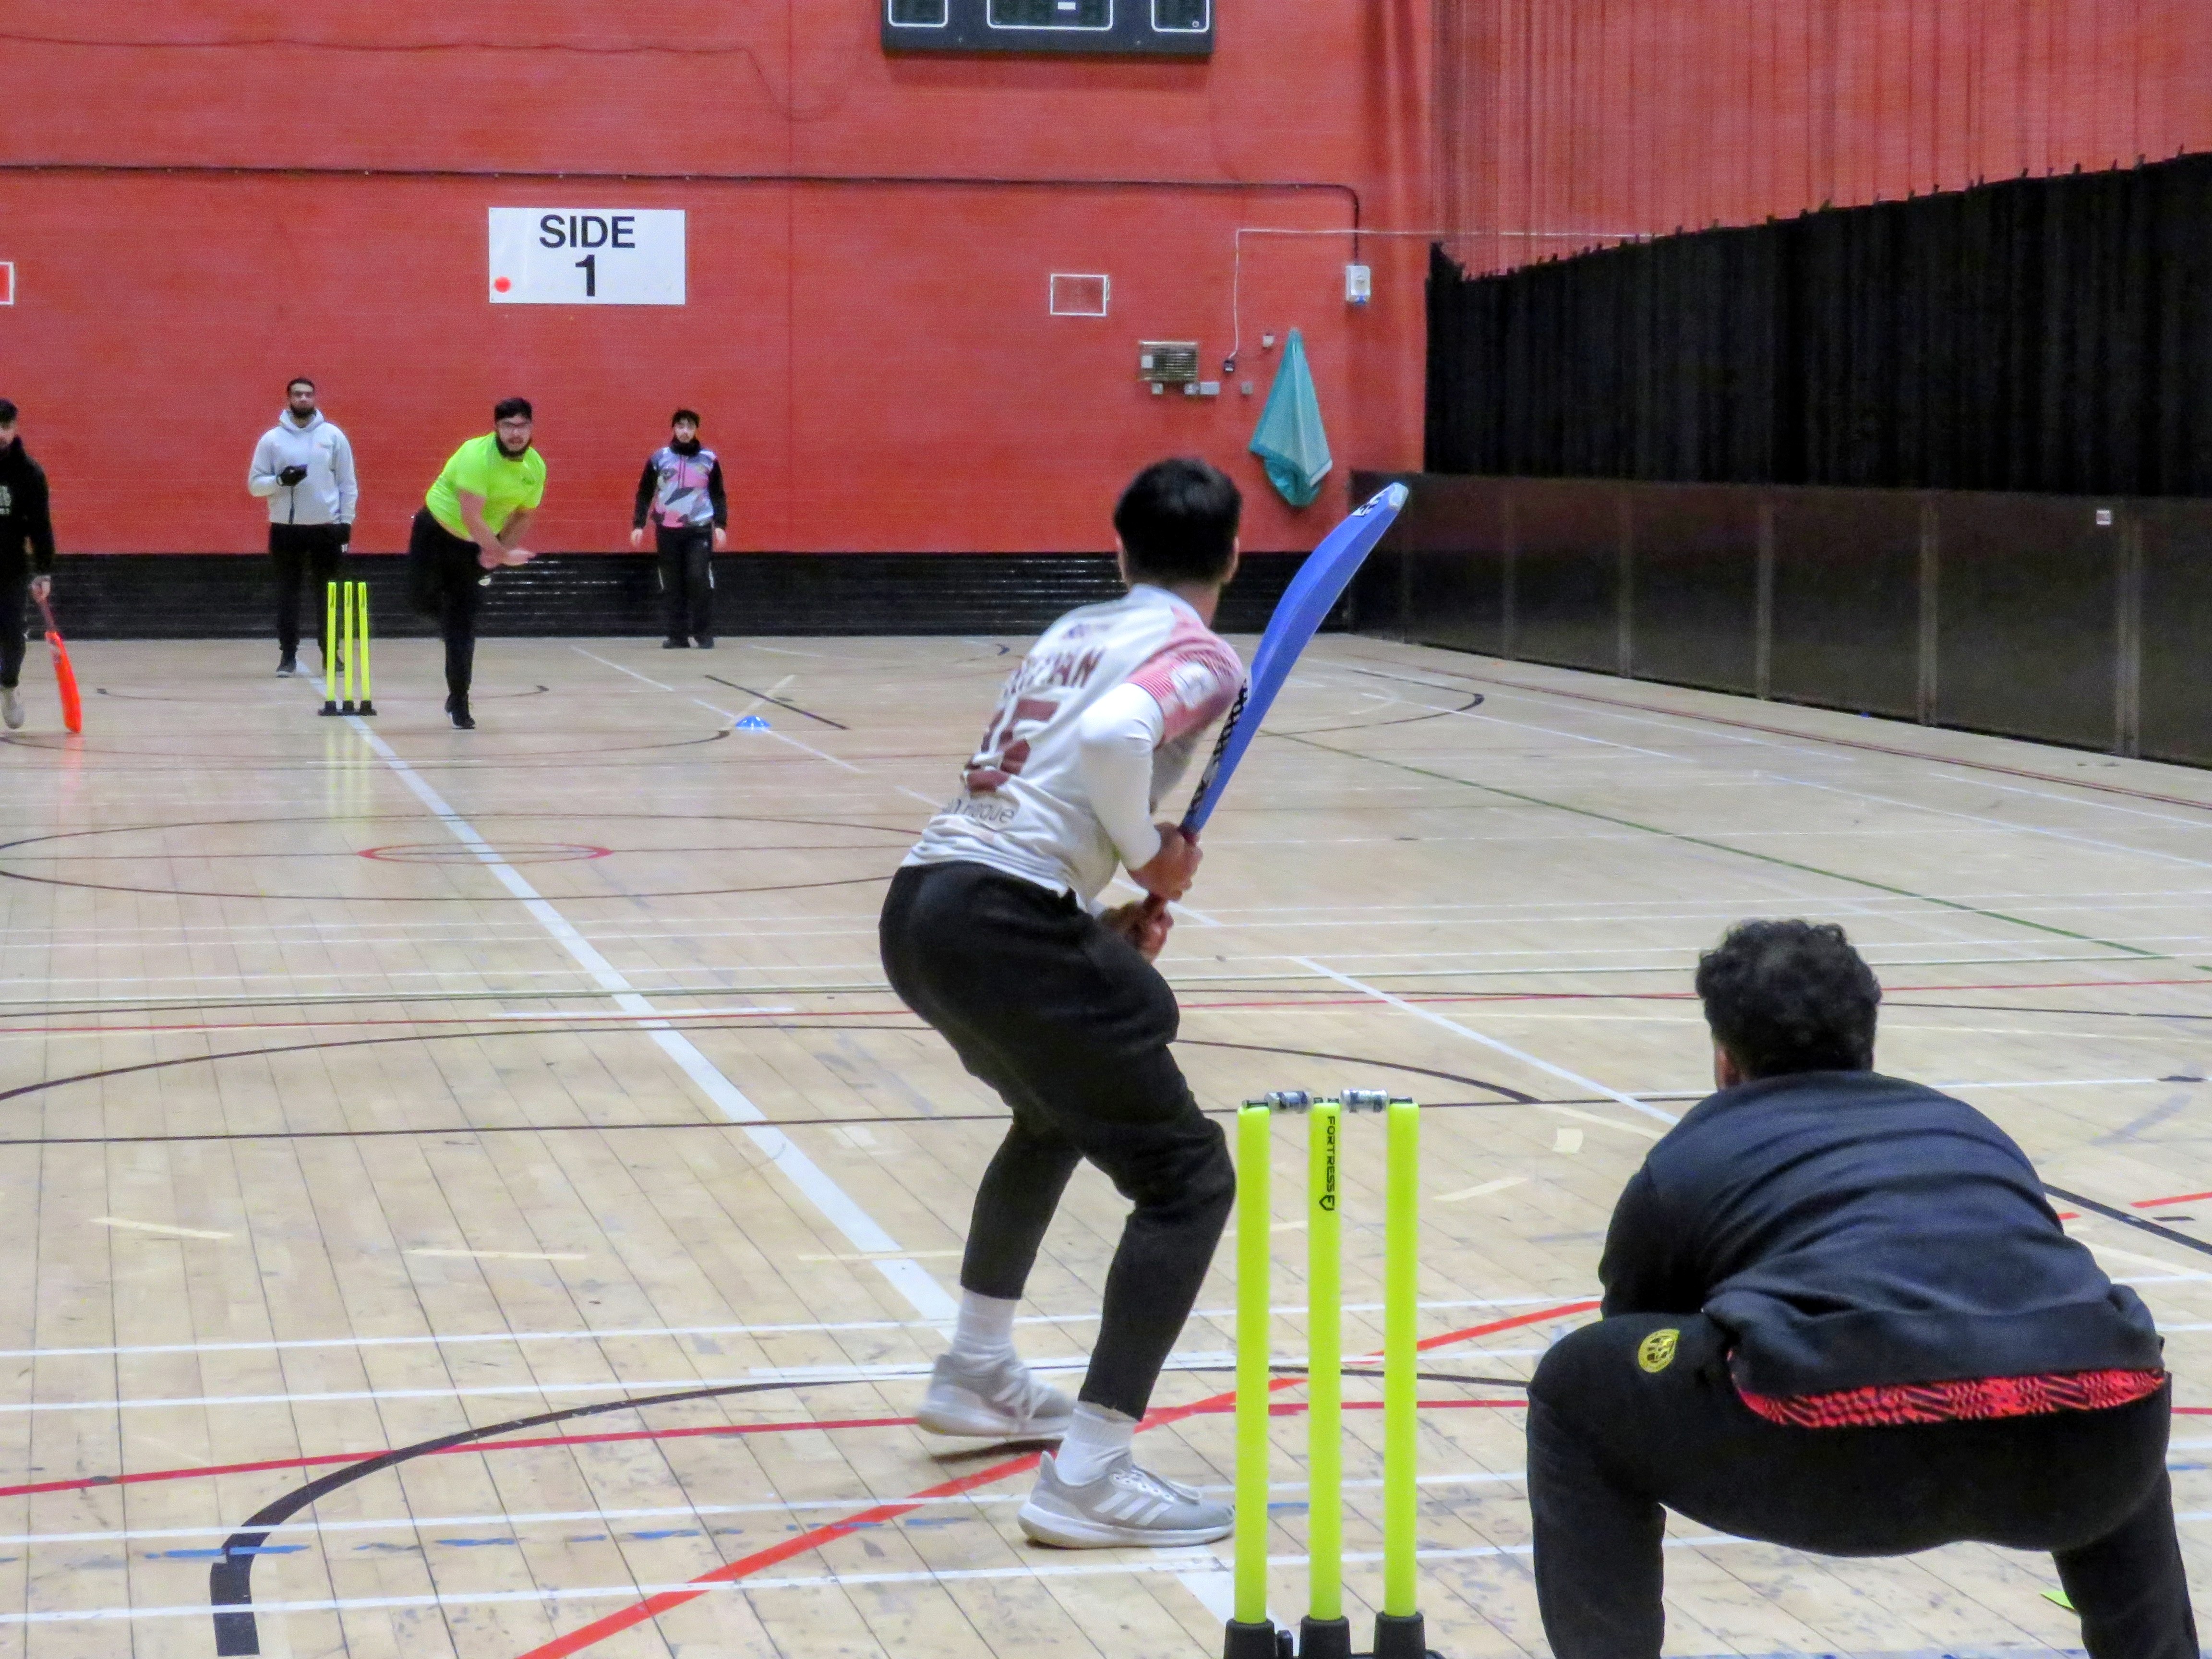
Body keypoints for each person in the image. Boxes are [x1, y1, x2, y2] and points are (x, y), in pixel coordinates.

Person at [1527, 918, 2194, 1659]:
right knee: (2096, 1369)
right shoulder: (1968, 1127)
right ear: (1868, 1042)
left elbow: (1643, 1336)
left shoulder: (1686, 1158)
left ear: (1726, 1062)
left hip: (1844, 1467)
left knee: (1575, 1384)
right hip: (2088, 1472)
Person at [880, 457, 1248, 1549]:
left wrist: (1092, 924)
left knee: (1053, 1111)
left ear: (1116, 548)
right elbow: (1110, 741)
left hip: (924, 903)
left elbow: (1053, 769)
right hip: (1002, 916)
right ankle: (1089, 1471)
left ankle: (979, 1370)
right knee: (1188, 1178)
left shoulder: (1076, 627)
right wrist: (1151, 859)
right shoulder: (1197, 651)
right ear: (1231, 556)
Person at [409, 398, 543, 730]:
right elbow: (471, 514)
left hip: (477, 546)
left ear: (531, 428)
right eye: (508, 426)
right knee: (419, 602)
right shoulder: (476, 455)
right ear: (496, 428)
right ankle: (444, 618)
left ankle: (459, 700)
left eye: (522, 426)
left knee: (463, 625)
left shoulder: (536, 468)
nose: (516, 433)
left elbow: (523, 515)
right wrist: (499, 552)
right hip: (435, 533)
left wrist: (496, 555)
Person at [248, 377, 358, 678]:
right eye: (298, 395)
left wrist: (346, 522)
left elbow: (348, 484)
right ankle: (288, 656)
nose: (304, 399)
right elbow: (255, 486)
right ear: (288, 400)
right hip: (285, 529)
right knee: (288, 594)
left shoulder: (333, 437)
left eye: (309, 395)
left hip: (325, 529)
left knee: (328, 595)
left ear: (315, 399)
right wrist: (281, 481)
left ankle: (331, 655)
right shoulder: (271, 440)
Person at [630, 408, 727, 649]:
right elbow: (645, 493)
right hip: (667, 529)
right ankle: (677, 636)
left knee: (698, 578)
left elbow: (718, 494)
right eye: (681, 426)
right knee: (672, 584)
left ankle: (703, 632)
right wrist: (639, 524)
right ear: (673, 428)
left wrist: (721, 525)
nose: (685, 431)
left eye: (690, 427)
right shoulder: (659, 458)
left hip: (698, 529)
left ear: (696, 430)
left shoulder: (709, 459)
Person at [0, 399, 55, 732]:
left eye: (6, 427)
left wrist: (43, 570)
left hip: (10, 570)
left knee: (12, 636)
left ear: (14, 429)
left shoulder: (29, 474)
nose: (1, 434)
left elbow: (41, 526)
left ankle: (8, 686)